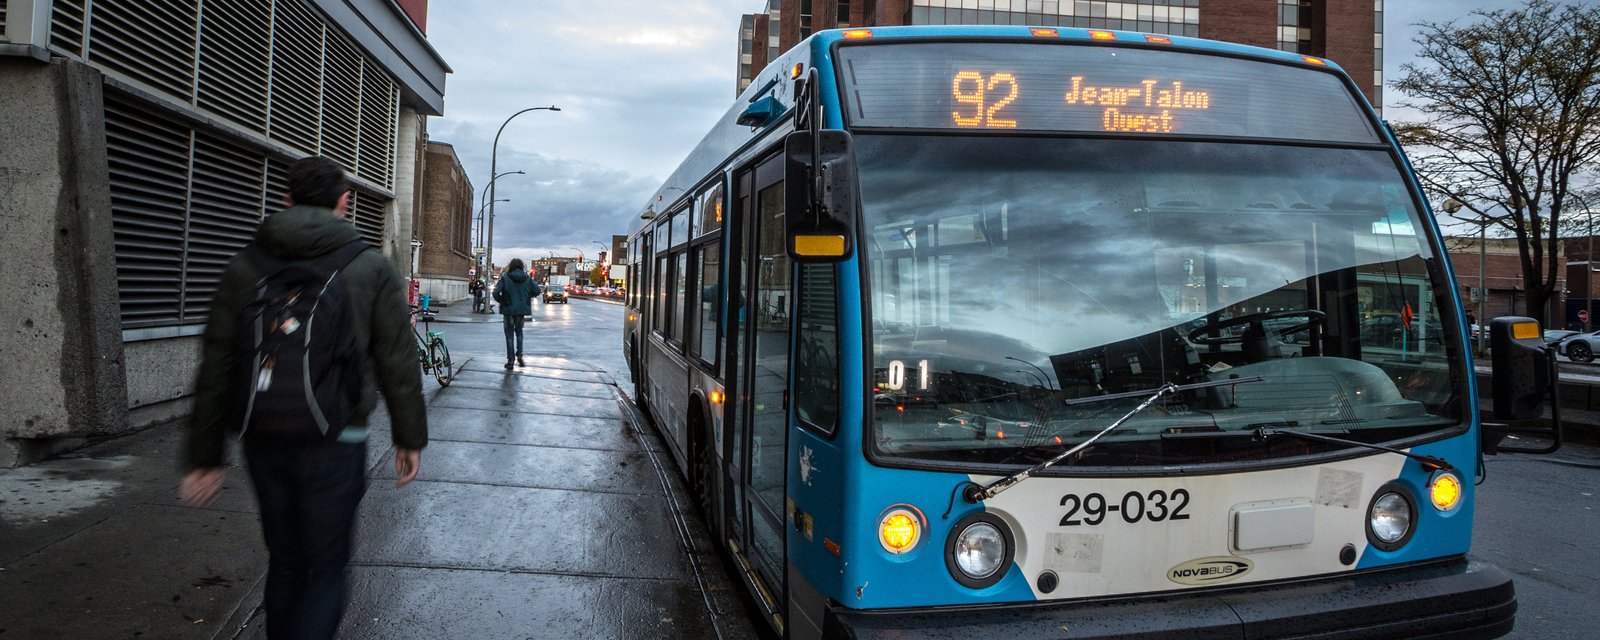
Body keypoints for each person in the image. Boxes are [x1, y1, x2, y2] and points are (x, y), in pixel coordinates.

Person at [179, 156, 427, 640]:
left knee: (286, 559)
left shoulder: (246, 264)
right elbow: (398, 359)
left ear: (287, 199)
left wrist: (204, 456)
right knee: (327, 566)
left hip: (264, 434)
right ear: (344, 202)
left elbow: (216, 363)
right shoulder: (371, 266)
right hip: (340, 434)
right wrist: (408, 438)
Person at [493, 258, 542, 368]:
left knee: (509, 335)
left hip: (508, 310)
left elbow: (496, 292)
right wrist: (527, 296)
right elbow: (537, 291)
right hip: (521, 311)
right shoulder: (527, 278)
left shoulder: (506, 277)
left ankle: (511, 360)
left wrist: (503, 301)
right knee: (519, 333)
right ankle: (520, 355)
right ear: (521, 266)